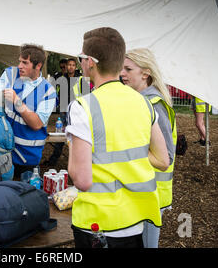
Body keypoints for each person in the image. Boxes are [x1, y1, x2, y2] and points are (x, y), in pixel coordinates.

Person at [66, 27, 169, 248]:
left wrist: (73, 146)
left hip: (96, 224)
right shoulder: (143, 102)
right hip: (135, 221)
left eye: (81, 58)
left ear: (91, 62)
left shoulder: (83, 106)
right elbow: (163, 160)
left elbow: (81, 180)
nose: (81, 62)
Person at [121, 48, 177, 248]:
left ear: (145, 73)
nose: (122, 74)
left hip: (152, 195)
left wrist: (125, 150)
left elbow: (165, 159)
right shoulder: (140, 101)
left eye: (128, 69)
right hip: (140, 191)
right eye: (122, 68)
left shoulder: (154, 105)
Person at [0, 44, 57, 177]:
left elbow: (36, 124)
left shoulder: (48, 91)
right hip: (2, 151)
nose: (20, 66)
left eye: (25, 63)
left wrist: (17, 101)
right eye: (19, 61)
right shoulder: (10, 74)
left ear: (38, 65)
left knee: (24, 195)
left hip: (27, 157)